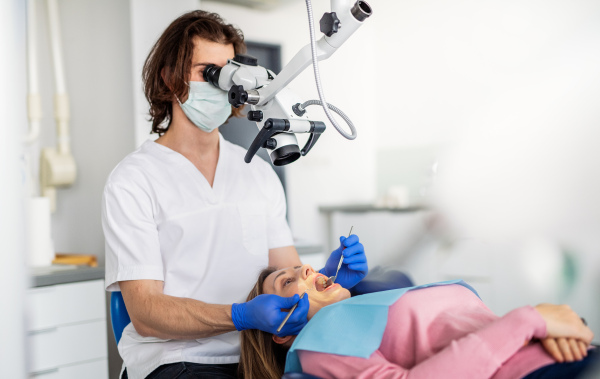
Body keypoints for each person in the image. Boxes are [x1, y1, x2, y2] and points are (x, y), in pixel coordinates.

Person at [101, 10, 368, 379]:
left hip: (257, 356)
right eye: (207, 71)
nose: (223, 84)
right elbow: (146, 314)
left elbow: (285, 274)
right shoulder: (133, 180)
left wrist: (326, 277)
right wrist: (239, 316)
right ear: (170, 78)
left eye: (230, 72)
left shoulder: (256, 172)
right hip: (177, 360)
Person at [239, 265, 597, 379]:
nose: (306, 268)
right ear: (280, 331)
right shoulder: (319, 343)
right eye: (287, 282)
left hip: (566, 350)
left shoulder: (369, 305)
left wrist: (552, 326)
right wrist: (529, 320)